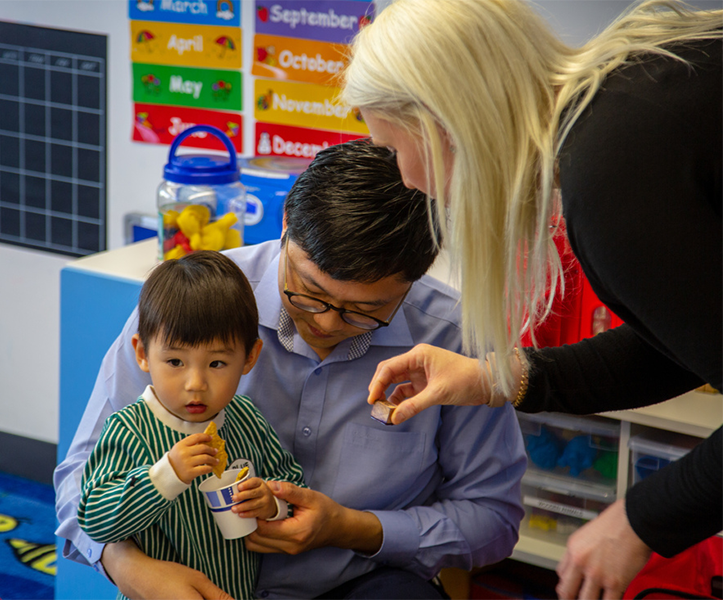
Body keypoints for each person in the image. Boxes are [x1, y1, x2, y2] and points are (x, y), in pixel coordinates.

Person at [340, 0, 723, 598]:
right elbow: (681, 341)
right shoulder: (632, 95)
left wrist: (636, 521)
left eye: (393, 150)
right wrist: (496, 377)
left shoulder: (612, 175)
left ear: (443, 119)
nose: (408, 180)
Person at [54, 139, 527, 600]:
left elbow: (494, 519)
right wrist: (126, 565)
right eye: (307, 290)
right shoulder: (190, 308)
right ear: (285, 228)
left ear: (416, 277)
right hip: (192, 576)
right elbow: (79, 479)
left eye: (364, 310)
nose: (324, 323)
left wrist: (350, 527)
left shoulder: (455, 340)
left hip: (355, 580)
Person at [77, 250, 306, 600]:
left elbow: (289, 482)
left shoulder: (246, 419)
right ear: (141, 353)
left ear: (249, 357)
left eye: (216, 363)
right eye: (174, 361)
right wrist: (167, 475)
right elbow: (95, 518)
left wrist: (271, 503)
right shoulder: (129, 429)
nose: (195, 383)